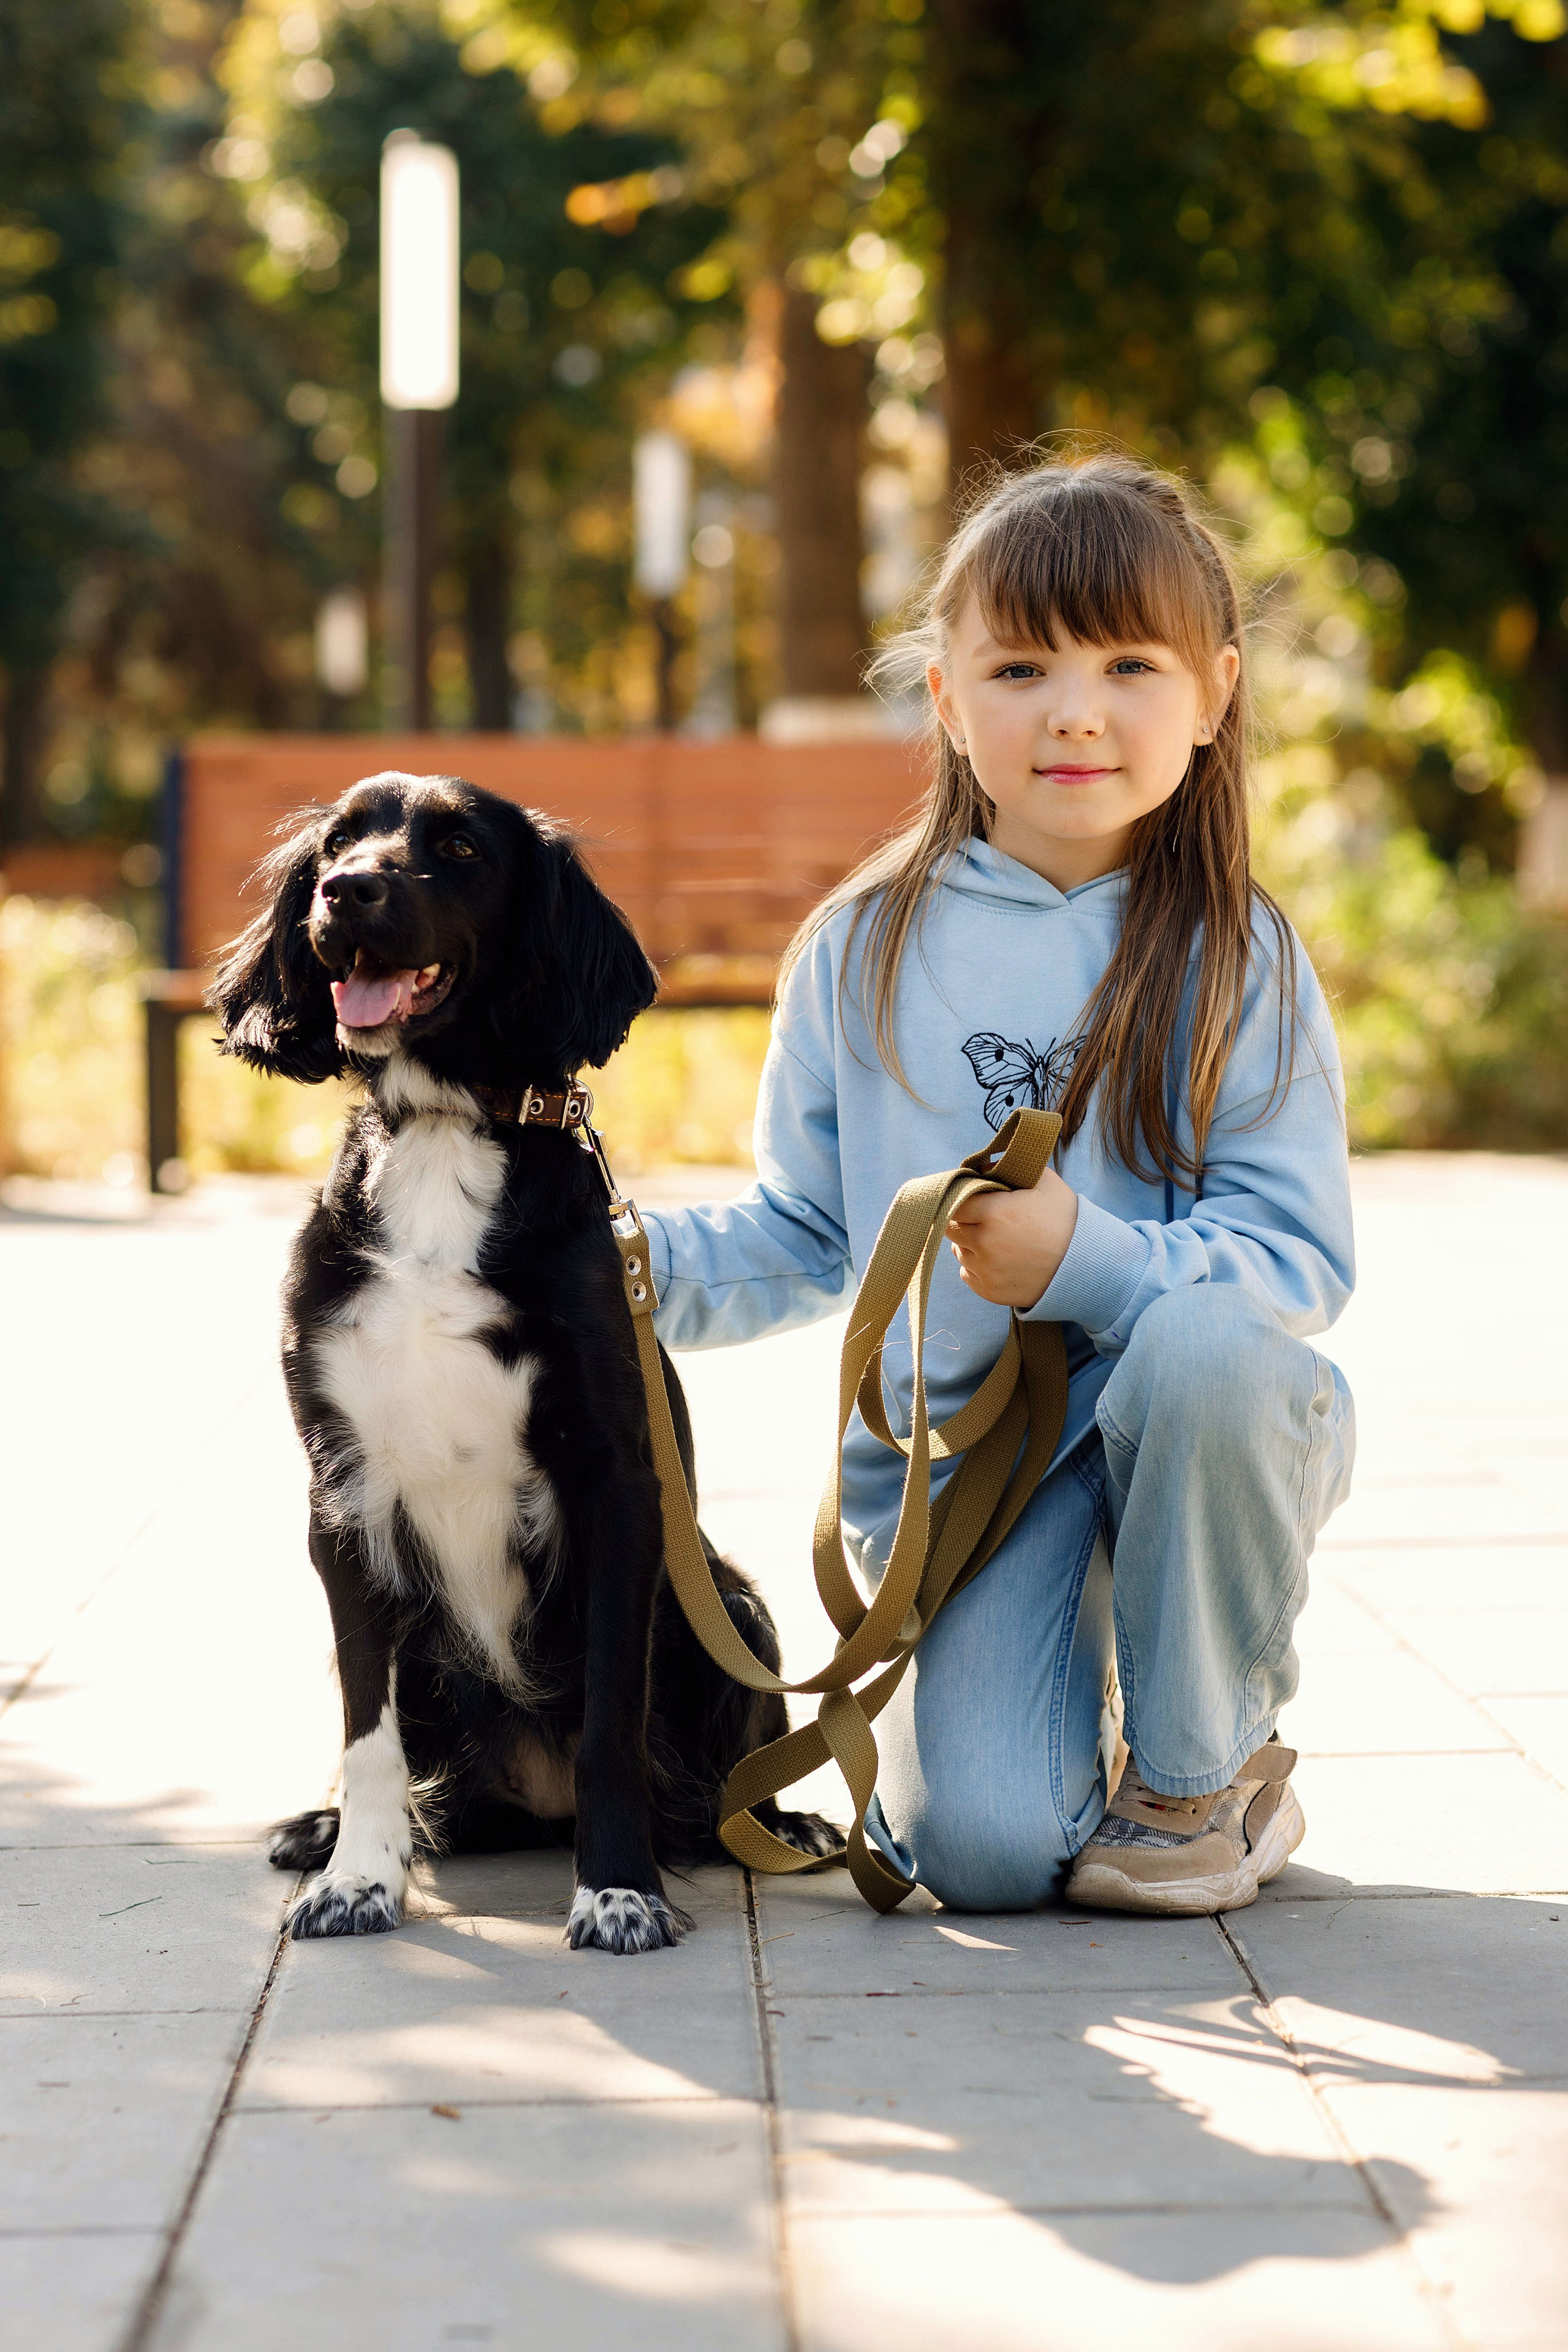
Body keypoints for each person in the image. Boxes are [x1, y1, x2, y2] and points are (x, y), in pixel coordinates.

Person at [640, 452, 1355, 1917]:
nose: (1074, 708)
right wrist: (617, 1263)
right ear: (947, 699)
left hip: (1188, 1429)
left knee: (1209, 1348)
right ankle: (1056, 1710)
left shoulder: (1241, 952)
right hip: (969, 1479)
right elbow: (802, 1231)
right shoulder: (861, 947)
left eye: (1128, 662)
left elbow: (1292, 1256)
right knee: (980, 1855)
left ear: (1212, 693)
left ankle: (1199, 1772)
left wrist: (1083, 1259)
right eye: (1019, 664)